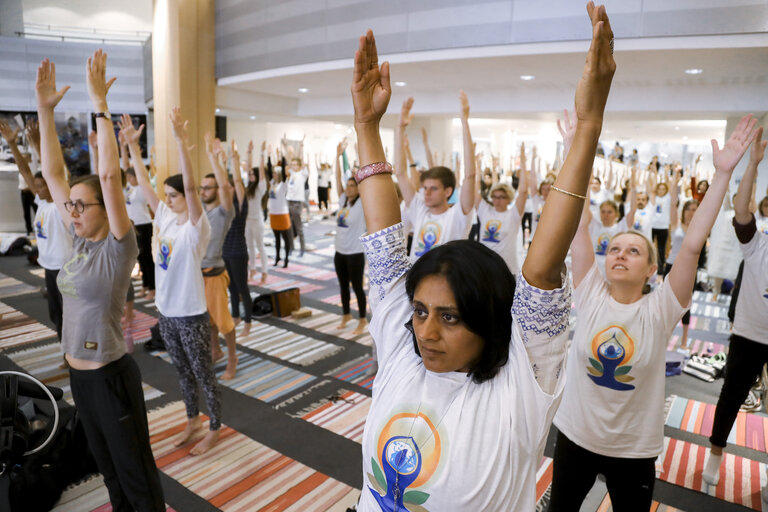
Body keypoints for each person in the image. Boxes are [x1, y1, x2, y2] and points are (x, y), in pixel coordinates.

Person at [350, 2, 615, 508]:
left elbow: (539, 269)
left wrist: (587, 127)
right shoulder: (404, 353)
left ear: (489, 321)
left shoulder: (519, 384)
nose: (425, 331)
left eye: (449, 317)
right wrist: (366, 128)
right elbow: (384, 239)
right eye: (422, 312)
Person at [548, 114, 759, 511]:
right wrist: (574, 150)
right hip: (574, 438)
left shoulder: (660, 309)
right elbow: (576, 222)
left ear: (651, 269)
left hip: (633, 451)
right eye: (612, 249)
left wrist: (722, 175)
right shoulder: (591, 291)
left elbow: (693, 242)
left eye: (633, 250)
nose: (619, 254)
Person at [37, 52, 164, 510]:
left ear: (103, 209)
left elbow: (109, 174)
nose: (70, 211)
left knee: (135, 477)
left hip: (111, 378)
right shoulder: (76, 243)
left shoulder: (116, 248)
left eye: (79, 205)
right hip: (80, 378)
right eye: (67, 205)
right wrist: (45, 111)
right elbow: (52, 173)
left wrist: (99, 105)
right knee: (107, 471)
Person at [122, 110, 223, 456]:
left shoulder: (197, 228)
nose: (167, 199)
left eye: (174, 195)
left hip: (191, 313)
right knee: (181, 371)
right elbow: (143, 185)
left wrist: (181, 142)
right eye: (167, 194)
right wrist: (134, 149)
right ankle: (192, 419)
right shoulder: (164, 216)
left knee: (203, 373)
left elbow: (192, 188)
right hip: (166, 310)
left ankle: (214, 427)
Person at [702, 126, 768, 493]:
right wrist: (753, 165)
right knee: (732, 394)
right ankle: (715, 451)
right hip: (748, 334)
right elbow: (741, 209)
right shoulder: (757, 246)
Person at [0, 118, 72, 344]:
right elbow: (24, 169)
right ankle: (67, 350)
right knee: (55, 313)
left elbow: (55, 170)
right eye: (36, 186)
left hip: (65, 268)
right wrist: (12, 144)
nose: (36, 189)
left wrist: (41, 145)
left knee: (69, 315)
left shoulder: (61, 205)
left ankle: (75, 352)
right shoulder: (41, 203)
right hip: (49, 266)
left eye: (41, 186)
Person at [394, 93, 476, 263]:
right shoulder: (420, 210)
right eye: (425, 188)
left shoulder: (458, 215)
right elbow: (400, 173)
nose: (427, 193)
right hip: (415, 283)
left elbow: (470, 175)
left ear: (448, 191)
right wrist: (400, 128)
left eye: (433, 188)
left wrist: (464, 122)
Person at [200, 133, 238, 379]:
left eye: (207, 187)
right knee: (207, 319)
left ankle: (232, 359)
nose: (203, 191)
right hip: (198, 273)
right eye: (201, 187)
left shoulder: (224, 213)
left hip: (214, 273)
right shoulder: (201, 210)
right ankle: (215, 351)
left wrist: (214, 159)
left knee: (223, 322)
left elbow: (225, 187)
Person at [474, 141, 528, 276]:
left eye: (502, 197)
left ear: (508, 199)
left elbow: (523, 193)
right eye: (495, 196)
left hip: (507, 269)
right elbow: (474, 191)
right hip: (484, 267)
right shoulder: (485, 211)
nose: (497, 200)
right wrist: (476, 166)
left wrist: (523, 161)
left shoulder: (513, 214)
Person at [217, 139, 254, 337]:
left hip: (238, 253)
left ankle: (248, 321)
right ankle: (236, 316)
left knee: (242, 288)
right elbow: (223, 184)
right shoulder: (223, 209)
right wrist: (221, 163)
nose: (228, 188)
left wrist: (233, 161)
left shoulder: (240, 207)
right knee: (230, 288)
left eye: (231, 187)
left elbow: (238, 182)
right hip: (225, 253)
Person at [333, 139, 368, 334]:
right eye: (347, 186)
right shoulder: (342, 200)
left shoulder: (362, 203)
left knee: (357, 286)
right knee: (343, 286)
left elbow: (363, 180)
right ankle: (346, 314)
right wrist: (338, 156)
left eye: (352, 186)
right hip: (340, 251)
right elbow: (336, 178)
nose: (348, 188)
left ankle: (362, 319)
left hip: (355, 252)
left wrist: (357, 153)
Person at [124, 165, 155, 300]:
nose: (129, 179)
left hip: (144, 225)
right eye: (128, 177)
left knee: (147, 257)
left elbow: (144, 177)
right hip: (134, 225)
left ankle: (153, 288)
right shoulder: (129, 189)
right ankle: (145, 285)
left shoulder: (143, 189)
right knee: (140, 257)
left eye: (131, 177)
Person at [245, 141, 269, 284]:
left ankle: (264, 273)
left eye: (253, 174)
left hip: (257, 221)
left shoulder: (261, 187)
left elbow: (260, 171)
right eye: (250, 174)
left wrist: (261, 153)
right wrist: (249, 153)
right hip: (247, 221)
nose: (250, 175)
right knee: (250, 247)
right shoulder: (248, 188)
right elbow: (248, 168)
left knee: (260, 246)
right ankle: (252, 269)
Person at [269, 158, 293, 267]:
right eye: (273, 173)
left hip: (282, 214)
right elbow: (268, 170)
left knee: (286, 239)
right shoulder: (272, 183)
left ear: (279, 174)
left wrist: (283, 157)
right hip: (273, 214)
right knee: (277, 238)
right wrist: (269, 156)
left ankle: (286, 258)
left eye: (275, 173)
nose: (273, 174)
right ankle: (278, 256)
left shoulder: (283, 185)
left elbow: (284, 172)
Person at [286, 152, 308, 256]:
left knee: (298, 227)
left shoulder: (302, 174)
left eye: (295, 164)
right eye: (292, 164)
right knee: (289, 227)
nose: (293, 166)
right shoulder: (292, 174)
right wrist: (285, 147)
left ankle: (302, 249)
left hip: (297, 203)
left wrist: (301, 149)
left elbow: (303, 163)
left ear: (299, 166)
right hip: (289, 201)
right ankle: (291, 247)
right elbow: (287, 159)